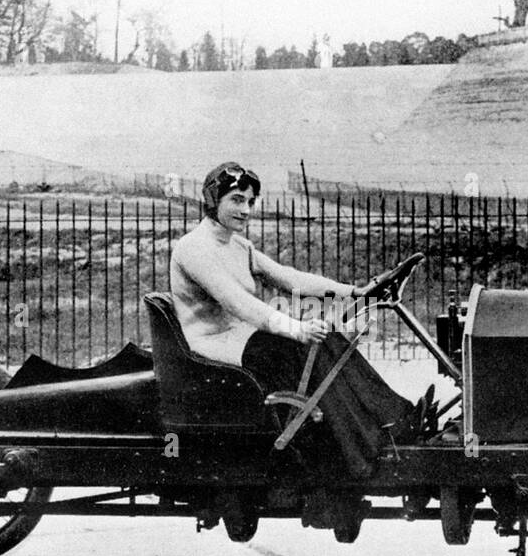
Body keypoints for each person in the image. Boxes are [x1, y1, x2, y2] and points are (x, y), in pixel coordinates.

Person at [169, 162, 429, 495]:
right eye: (236, 200)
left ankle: (394, 419)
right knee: (306, 345)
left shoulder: (238, 247)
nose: (245, 210)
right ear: (213, 199)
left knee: (328, 339)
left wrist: (355, 292)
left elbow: (290, 279)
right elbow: (237, 303)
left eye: (250, 201)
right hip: (212, 344)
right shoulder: (194, 247)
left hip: (244, 336)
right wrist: (297, 329)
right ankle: (365, 444)